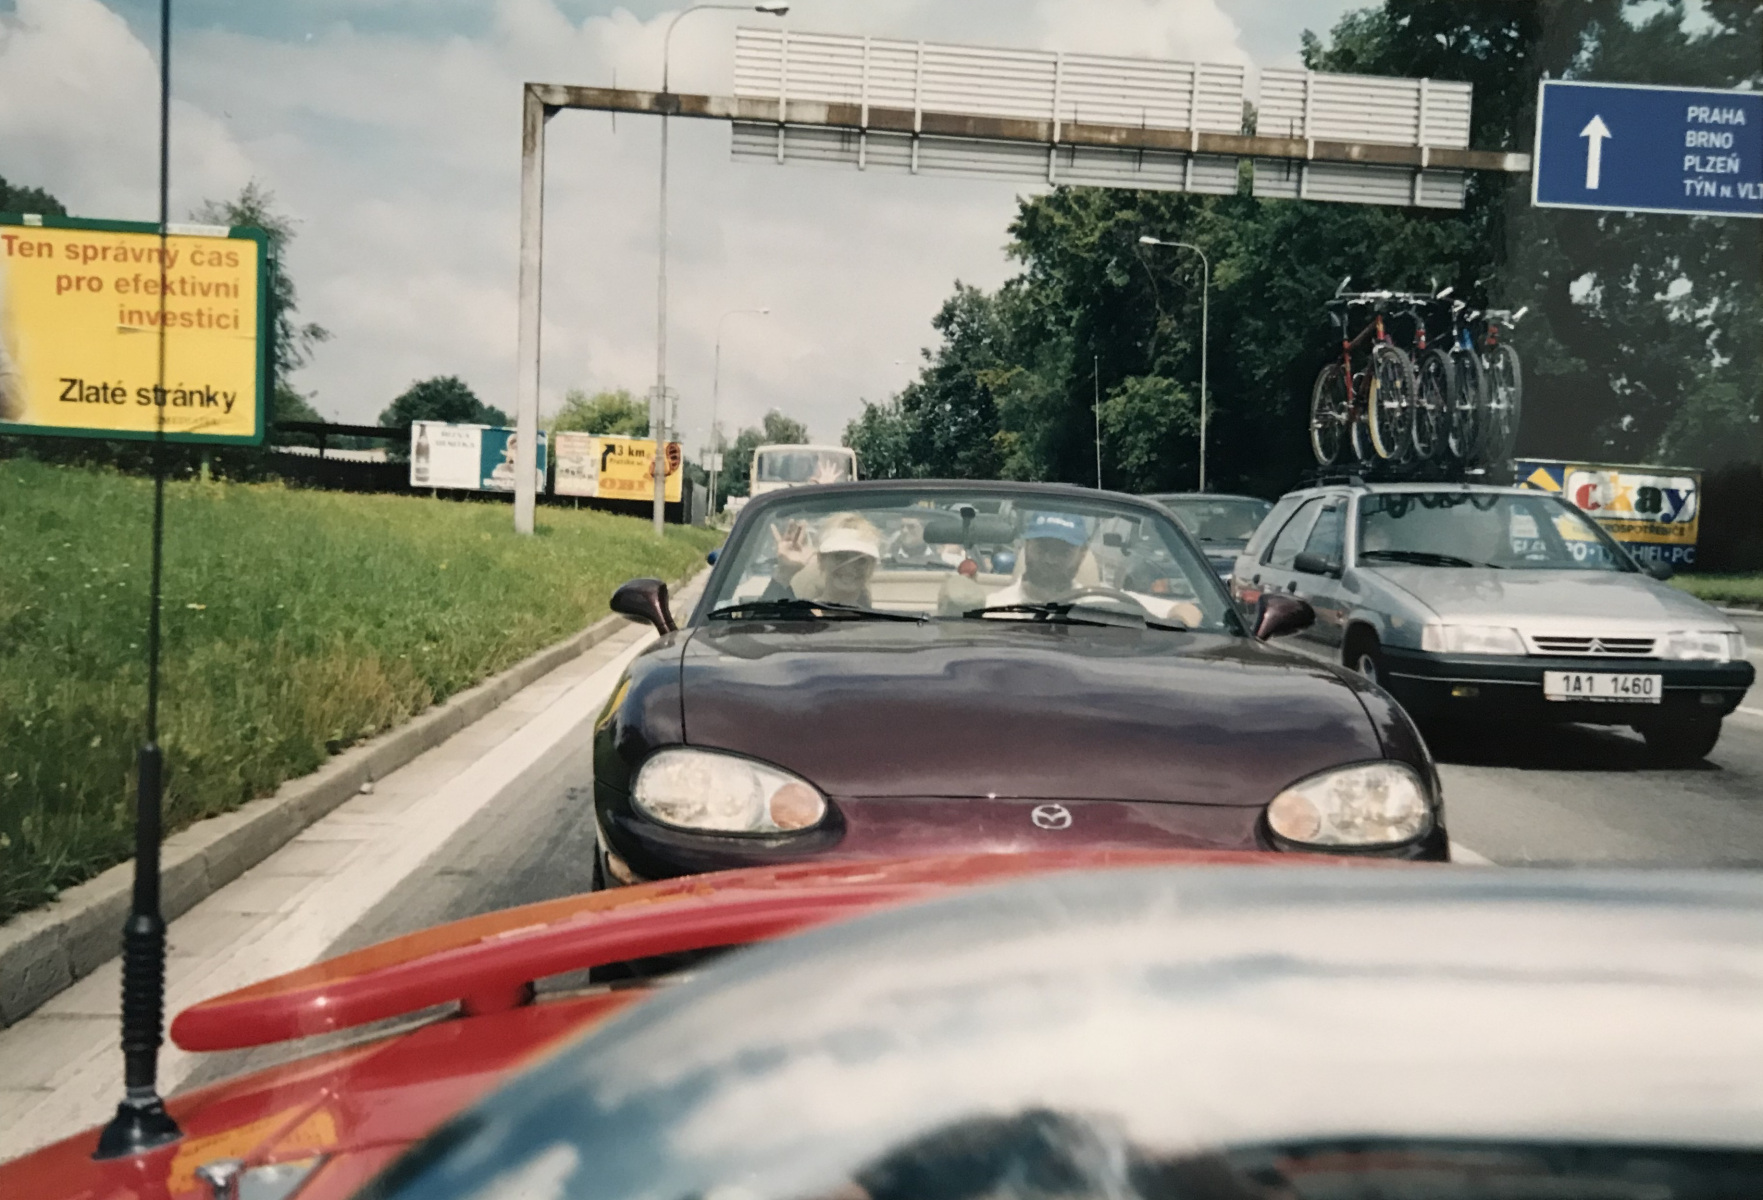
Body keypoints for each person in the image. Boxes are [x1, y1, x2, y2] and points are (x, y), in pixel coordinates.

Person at [765, 514, 883, 608]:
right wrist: (784, 574)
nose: (849, 567)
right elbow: (764, 624)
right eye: (839, 556)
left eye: (861, 560)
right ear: (821, 560)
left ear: (872, 566)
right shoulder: (803, 616)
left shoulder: (882, 623)